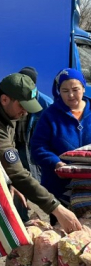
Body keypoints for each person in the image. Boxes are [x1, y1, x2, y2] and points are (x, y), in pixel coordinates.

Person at [0, 72, 81, 231]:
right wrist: (56, 208)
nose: (25, 113)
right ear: (5, 99)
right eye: (22, 106)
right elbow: (17, 171)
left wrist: (9, 180)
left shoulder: (4, 110)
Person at [31, 68, 91, 212]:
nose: (70, 95)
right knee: (61, 231)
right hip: (58, 189)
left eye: (75, 89)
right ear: (58, 91)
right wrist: (55, 162)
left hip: (89, 188)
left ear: (83, 88)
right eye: (65, 91)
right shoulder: (50, 115)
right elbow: (38, 147)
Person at [14, 66, 53, 221]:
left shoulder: (46, 105)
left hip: (32, 151)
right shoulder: (13, 97)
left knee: (35, 184)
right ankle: (21, 220)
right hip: (15, 147)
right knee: (17, 183)